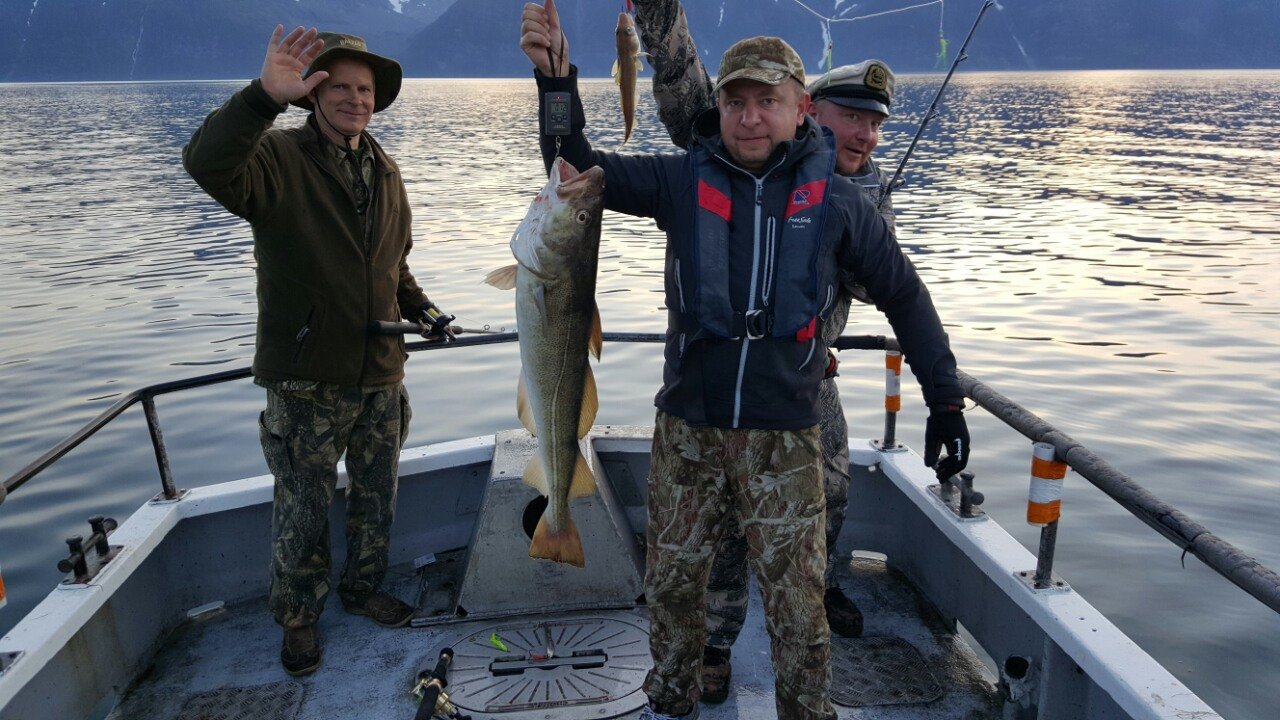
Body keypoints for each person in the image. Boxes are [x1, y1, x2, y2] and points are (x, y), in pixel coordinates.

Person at [519, 3, 970, 718]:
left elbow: (906, 298)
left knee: (800, 610)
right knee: (673, 592)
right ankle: (670, 701)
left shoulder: (840, 205)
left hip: (785, 438)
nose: (750, 117)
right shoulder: (679, 182)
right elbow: (573, 162)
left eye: (768, 101)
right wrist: (555, 82)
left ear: (801, 110)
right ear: (720, 109)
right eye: (736, 102)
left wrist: (944, 399)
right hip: (687, 434)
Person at [632, 0, 903, 703]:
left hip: (805, 380)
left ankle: (824, 587)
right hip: (713, 388)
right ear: (811, 111)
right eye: (852, 118)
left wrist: (851, 210)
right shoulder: (733, 142)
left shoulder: (858, 192)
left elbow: (880, 288)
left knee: (829, 495)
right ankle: (715, 641)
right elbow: (680, 76)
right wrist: (656, 12)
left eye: (875, 124)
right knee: (717, 526)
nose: (866, 134)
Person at [182, 26, 453, 676]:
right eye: (341, 88)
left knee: (376, 495)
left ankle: (363, 589)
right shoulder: (275, 159)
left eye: (365, 90)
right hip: (306, 381)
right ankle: (299, 619)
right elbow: (205, 164)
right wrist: (261, 98)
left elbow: (394, 268)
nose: (356, 99)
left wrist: (424, 312)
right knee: (302, 506)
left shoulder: (386, 169)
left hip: (381, 375)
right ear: (312, 94)